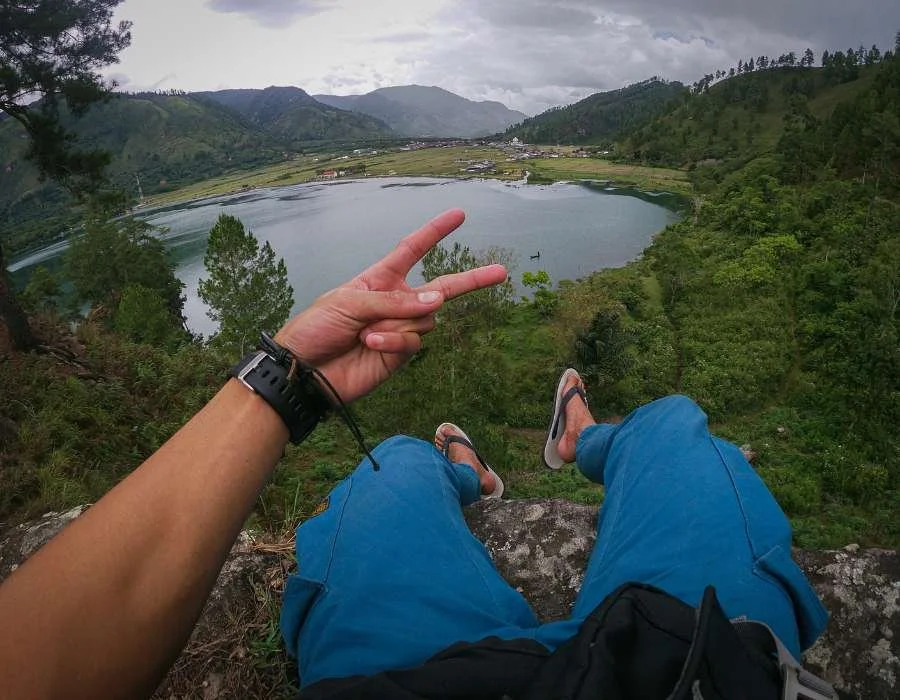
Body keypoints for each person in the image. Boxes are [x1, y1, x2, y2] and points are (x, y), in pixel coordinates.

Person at [0, 209, 831, 700]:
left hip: (409, 678)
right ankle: (585, 442)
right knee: (672, 424)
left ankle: (466, 473)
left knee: (397, 461)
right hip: (694, 666)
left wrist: (292, 378)